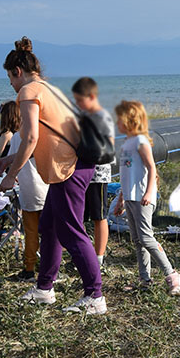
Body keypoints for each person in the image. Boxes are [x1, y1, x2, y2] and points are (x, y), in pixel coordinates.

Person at [0, 37, 105, 315]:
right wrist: (7, 161)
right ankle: (44, 289)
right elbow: (43, 138)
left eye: (9, 77)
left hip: (69, 168)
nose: (10, 84)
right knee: (50, 228)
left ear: (17, 71)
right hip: (71, 165)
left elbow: (30, 137)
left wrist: (11, 176)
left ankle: (95, 296)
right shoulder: (48, 88)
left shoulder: (29, 90)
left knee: (71, 230)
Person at [111, 101, 180, 294]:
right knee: (137, 239)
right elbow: (126, 175)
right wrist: (121, 199)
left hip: (143, 198)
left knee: (146, 237)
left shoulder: (141, 141)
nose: (117, 121)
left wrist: (150, 192)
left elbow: (152, 167)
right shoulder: (126, 143)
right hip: (131, 198)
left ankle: (172, 274)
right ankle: (145, 279)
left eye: (120, 118)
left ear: (130, 119)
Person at [0, 100, 49, 282]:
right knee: (49, 232)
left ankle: (29, 269)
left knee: (31, 231)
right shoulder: (38, 135)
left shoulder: (16, 138)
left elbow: (12, 162)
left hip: (29, 190)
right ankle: (49, 267)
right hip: (46, 188)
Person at [72, 77, 114, 270]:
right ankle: (83, 254)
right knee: (80, 215)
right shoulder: (84, 117)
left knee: (99, 216)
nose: (79, 104)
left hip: (99, 174)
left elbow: (109, 144)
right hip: (82, 172)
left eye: (80, 100)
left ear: (91, 96)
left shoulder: (101, 116)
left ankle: (98, 257)